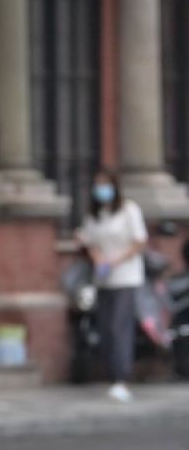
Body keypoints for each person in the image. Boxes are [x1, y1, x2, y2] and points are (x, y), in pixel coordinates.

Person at [77, 172, 149, 402]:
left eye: (105, 186)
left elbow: (139, 241)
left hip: (126, 276)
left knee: (120, 327)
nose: (101, 190)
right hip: (103, 278)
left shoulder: (129, 210)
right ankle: (111, 375)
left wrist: (115, 261)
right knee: (106, 328)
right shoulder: (96, 214)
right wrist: (98, 259)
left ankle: (121, 379)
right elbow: (89, 241)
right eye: (98, 186)